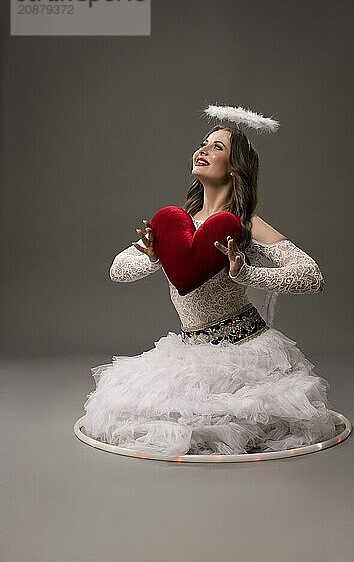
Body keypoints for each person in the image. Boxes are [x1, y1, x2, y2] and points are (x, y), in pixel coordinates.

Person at [80, 123, 339, 457]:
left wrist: (246, 272)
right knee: (147, 412)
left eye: (217, 147)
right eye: (202, 143)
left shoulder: (244, 224)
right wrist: (156, 258)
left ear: (234, 166)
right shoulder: (175, 225)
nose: (202, 150)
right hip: (190, 350)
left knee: (230, 423)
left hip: (244, 351)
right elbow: (117, 270)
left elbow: (312, 275)